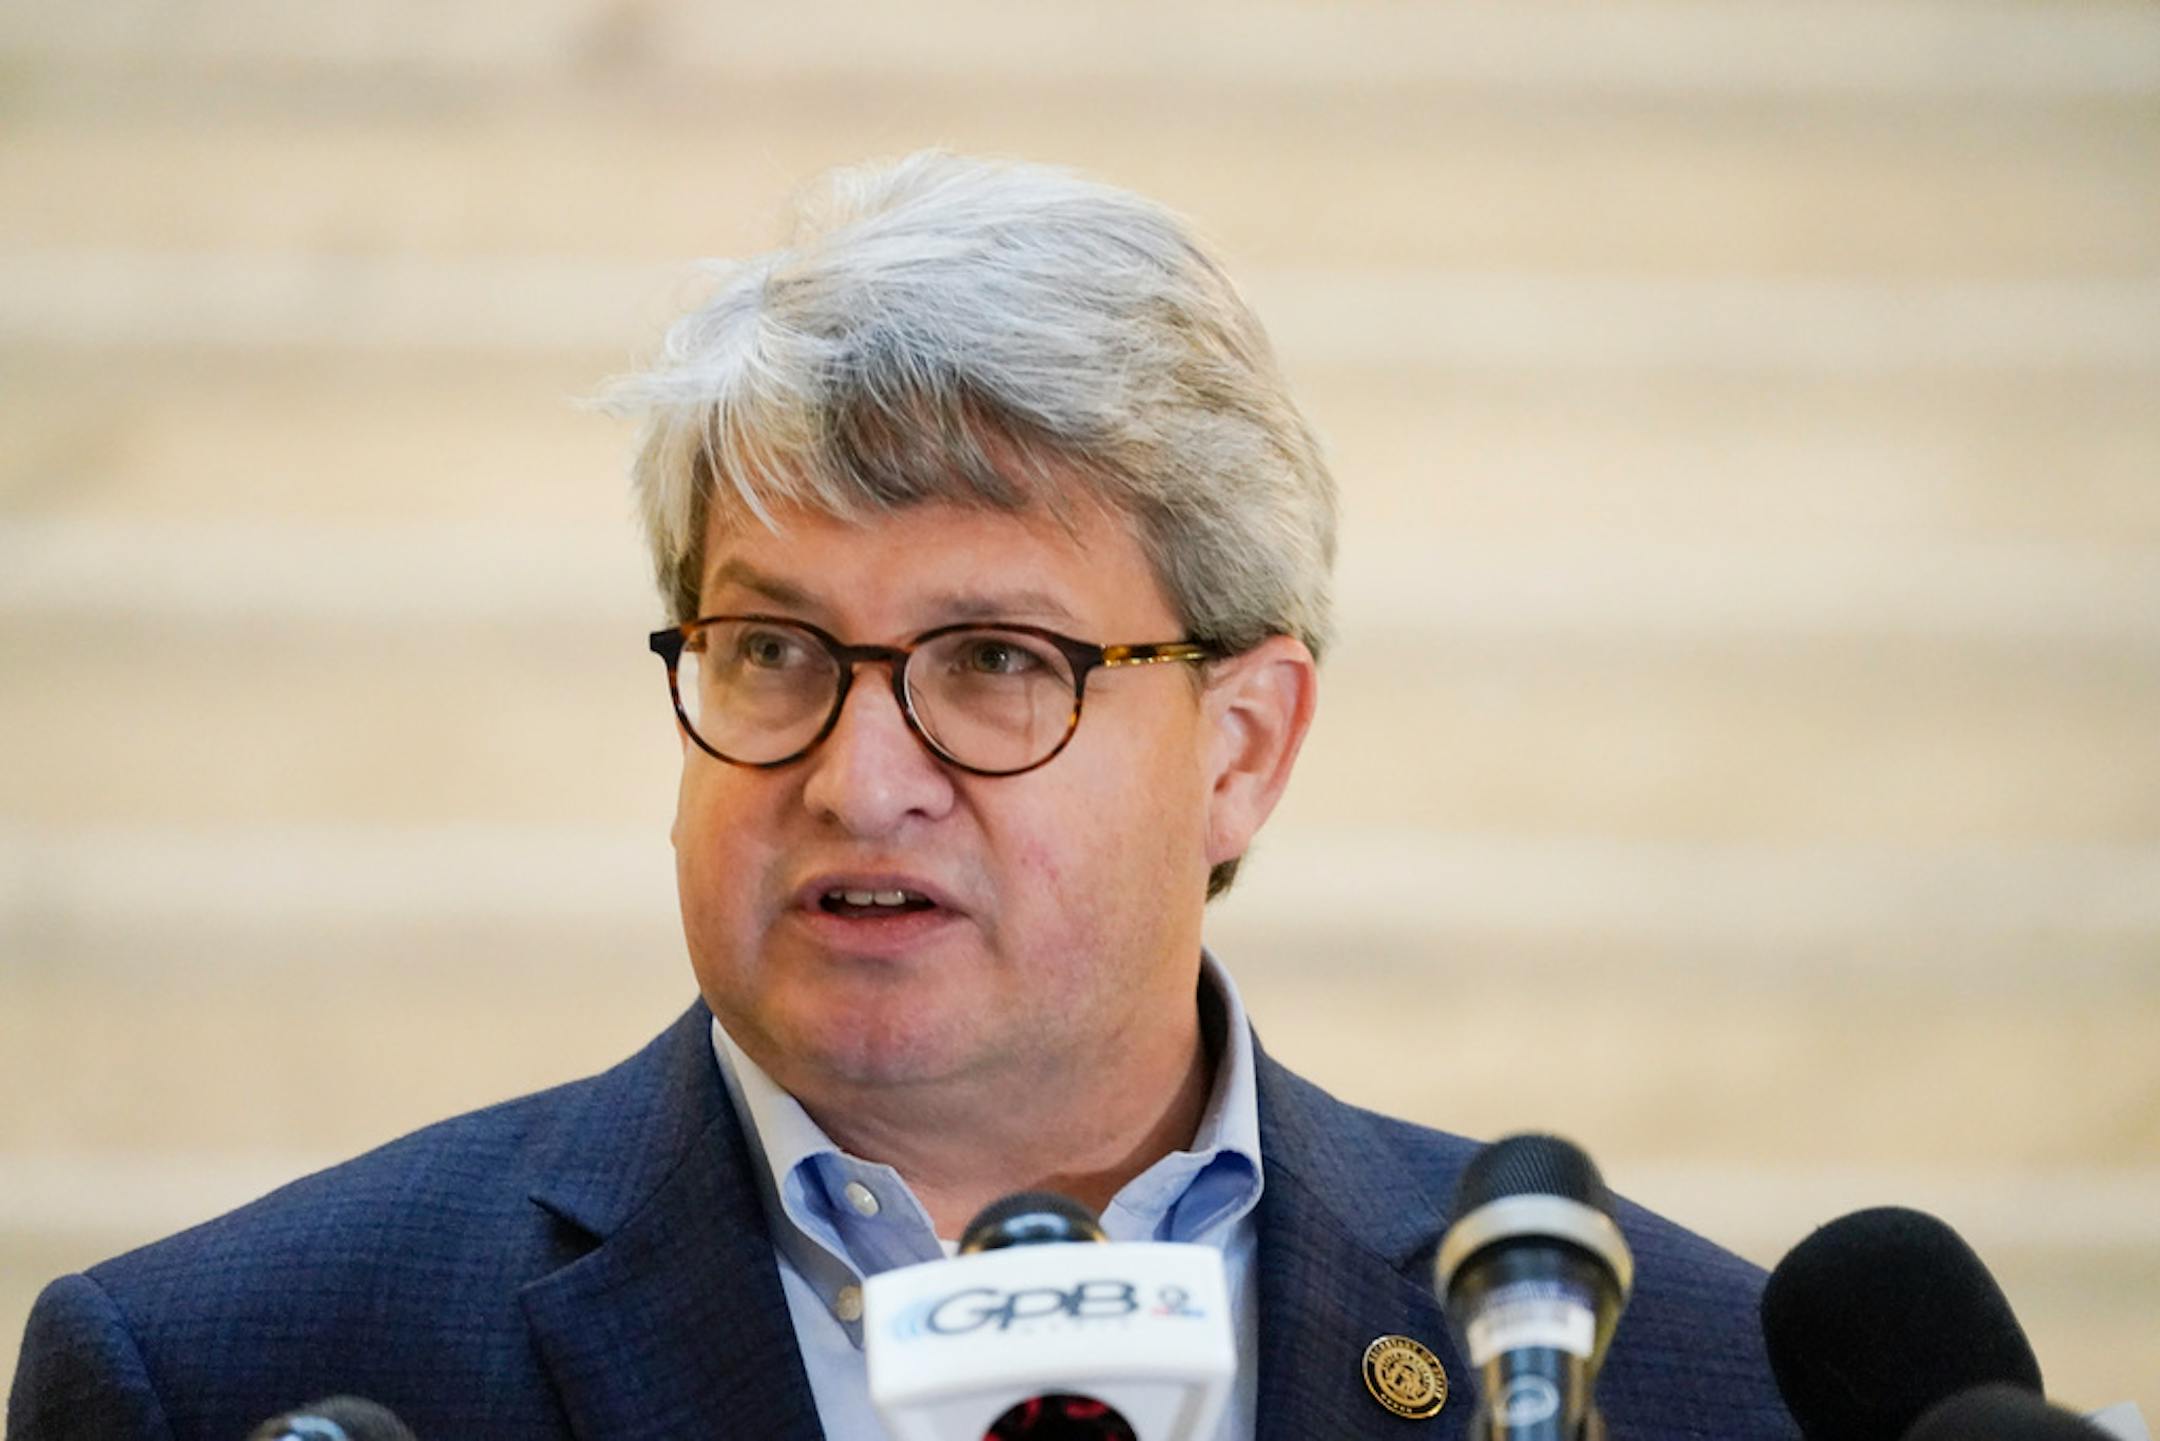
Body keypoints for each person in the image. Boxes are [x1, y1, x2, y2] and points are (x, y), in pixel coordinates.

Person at [8, 152, 1795, 1439]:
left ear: (1242, 747)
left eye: (998, 661)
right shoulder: (224, 1374)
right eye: (774, 651)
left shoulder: (1706, 1379)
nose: (861, 781)